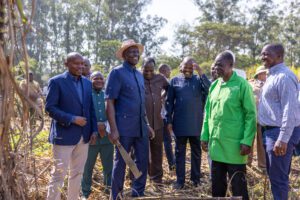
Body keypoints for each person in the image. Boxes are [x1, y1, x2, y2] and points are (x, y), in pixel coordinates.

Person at [201, 51, 256, 200]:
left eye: (220, 65)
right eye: (215, 64)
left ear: (231, 66)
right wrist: (204, 136)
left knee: (238, 187)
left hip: (235, 147)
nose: (216, 67)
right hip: (216, 146)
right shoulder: (214, 85)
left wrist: (247, 141)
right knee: (217, 187)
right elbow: (208, 113)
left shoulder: (242, 85)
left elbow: (250, 115)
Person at [105, 39, 154, 200]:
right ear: (124, 55)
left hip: (140, 127)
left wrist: (147, 125)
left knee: (142, 161)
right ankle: (116, 196)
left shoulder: (139, 75)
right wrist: (113, 129)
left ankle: (138, 193)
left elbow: (140, 103)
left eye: (137, 52)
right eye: (131, 52)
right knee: (121, 163)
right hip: (123, 127)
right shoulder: (117, 73)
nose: (135, 55)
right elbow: (110, 102)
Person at [45, 52, 98, 200]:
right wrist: (72, 119)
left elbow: (91, 109)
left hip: (84, 136)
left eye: (82, 63)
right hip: (64, 135)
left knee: (77, 173)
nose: (80, 66)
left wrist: (93, 130)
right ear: (66, 64)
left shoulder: (87, 83)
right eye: (76, 63)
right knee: (58, 174)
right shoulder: (56, 82)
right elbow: (50, 108)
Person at [258, 44, 300, 200]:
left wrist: (282, 139)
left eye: (267, 54)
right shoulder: (272, 75)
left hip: (279, 133)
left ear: (279, 56)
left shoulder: (284, 77)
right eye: (262, 54)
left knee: (278, 180)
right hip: (271, 131)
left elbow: (290, 110)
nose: (263, 57)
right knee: (276, 177)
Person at [166, 57, 210, 189]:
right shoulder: (174, 81)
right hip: (179, 123)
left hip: (196, 123)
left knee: (196, 152)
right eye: (186, 67)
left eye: (191, 67)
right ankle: (180, 181)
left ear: (194, 68)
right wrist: (168, 120)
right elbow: (169, 102)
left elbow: (209, 89)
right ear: (181, 67)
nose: (188, 69)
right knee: (180, 153)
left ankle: (196, 179)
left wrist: (201, 72)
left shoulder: (198, 80)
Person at [81, 71, 114, 199]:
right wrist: (95, 127)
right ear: (90, 80)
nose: (99, 80)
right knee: (87, 167)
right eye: (96, 78)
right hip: (91, 138)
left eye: (101, 78)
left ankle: (108, 191)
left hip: (107, 138)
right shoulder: (86, 95)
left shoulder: (108, 96)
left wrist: (105, 126)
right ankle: (85, 193)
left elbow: (113, 115)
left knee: (108, 167)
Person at [142, 58, 169, 184]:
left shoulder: (160, 78)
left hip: (157, 122)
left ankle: (156, 179)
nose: (148, 73)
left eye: (151, 70)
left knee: (157, 152)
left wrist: (161, 96)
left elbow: (169, 89)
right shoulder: (137, 77)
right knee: (139, 153)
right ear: (141, 68)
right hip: (141, 123)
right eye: (145, 70)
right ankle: (138, 179)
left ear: (154, 69)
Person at [248, 66, 268, 168]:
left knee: (261, 141)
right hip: (251, 116)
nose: (265, 75)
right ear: (259, 74)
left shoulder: (269, 83)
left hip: (263, 117)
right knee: (249, 139)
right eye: (264, 73)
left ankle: (262, 165)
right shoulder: (250, 83)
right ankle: (247, 163)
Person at [158, 64, 175, 171]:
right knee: (166, 142)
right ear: (164, 70)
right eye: (169, 70)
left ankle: (171, 165)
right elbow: (160, 96)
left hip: (163, 116)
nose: (170, 72)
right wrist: (164, 95)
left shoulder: (162, 80)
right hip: (159, 117)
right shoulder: (160, 80)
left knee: (166, 142)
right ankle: (171, 165)